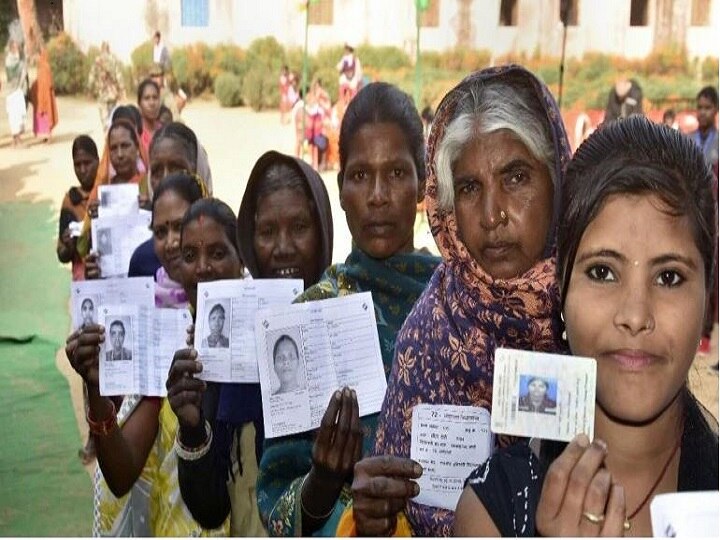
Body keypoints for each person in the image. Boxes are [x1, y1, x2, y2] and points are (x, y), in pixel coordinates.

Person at [455, 116, 719, 537]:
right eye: (602, 272)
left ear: (709, 302)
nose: (634, 315)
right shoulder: (493, 512)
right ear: (561, 291)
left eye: (668, 277)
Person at [345, 65, 571, 537]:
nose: (492, 215)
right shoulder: (430, 334)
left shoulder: (595, 315)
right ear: (447, 206)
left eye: (516, 177)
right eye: (469, 188)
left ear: (558, 179)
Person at [256, 82, 441, 537]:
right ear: (340, 189)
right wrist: (324, 480)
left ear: (422, 183)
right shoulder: (306, 318)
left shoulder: (459, 305)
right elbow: (275, 504)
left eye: (397, 173)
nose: (377, 195)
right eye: (360, 175)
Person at [169, 150, 333, 533]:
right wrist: (192, 427)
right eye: (267, 232)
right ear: (249, 240)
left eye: (299, 227)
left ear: (323, 229)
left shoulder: (350, 326)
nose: (282, 247)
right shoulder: (230, 347)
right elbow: (209, 509)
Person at [64, 174, 226, 536]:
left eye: (181, 230)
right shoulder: (162, 335)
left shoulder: (254, 321)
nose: (172, 245)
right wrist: (95, 386)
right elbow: (122, 474)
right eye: (161, 232)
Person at [166, 198, 267, 536]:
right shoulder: (191, 364)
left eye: (218, 253)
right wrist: (191, 427)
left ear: (242, 261)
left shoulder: (273, 338)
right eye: (190, 256)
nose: (202, 268)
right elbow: (210, 509)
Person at [128, 122, 213, 280]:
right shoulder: (142, 262)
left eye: (177, 168)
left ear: (199, 170)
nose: (167, 178)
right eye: (157, 171)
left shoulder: (230, 246)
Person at [77, 119, 150, 278]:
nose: (120, 154)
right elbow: (82, 247)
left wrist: (150, 212)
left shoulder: (150, 186)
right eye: (113, 148)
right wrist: (94, 220)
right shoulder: (101, 194)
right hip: (111, 281)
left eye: (125, 146)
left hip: (145, 278)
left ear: (137, 148)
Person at [57, 135, 100, 281]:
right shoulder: (70, 201)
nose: (82, 170)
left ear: (98, 161)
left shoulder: (107, 193)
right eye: (77, 164)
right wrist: (68, 246)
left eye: (87, 163)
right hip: (82, 280)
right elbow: (62, 255)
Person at [88, 41, 126, 130]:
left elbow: (92, 75)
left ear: (101, 49)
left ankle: (107, 134)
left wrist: (89, 89)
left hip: (102, 93)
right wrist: (122, 89)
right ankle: (111, 131)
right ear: (108, 49)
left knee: (104, 117)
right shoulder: (113, 60)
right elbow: (119, 75)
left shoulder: (97, 60)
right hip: (113, 93)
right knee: (112, 115)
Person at [29, 48, 58, 142]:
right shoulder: (41, 67)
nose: (37, 58)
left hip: (46, 97)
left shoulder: (45, 67)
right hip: (41, 96)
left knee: (47, 115)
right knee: (42, 116)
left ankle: (48, 136)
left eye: (38, 55)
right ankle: (44, 136)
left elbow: (48, 83)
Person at [4, 39, 28, 146]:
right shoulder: (10, 60)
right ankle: (17, 139)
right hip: (12, 91)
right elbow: (12, 73)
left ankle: (16, 139)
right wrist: (22, 66)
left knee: (19, 114)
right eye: (14, 47)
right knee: (15, 116)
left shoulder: (19, 60)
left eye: (17, 47)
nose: (16, 49)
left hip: (18, 90)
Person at [137, 79, 162, 155]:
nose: (152, 103)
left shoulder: (165, 131)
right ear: (139, 103)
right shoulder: (136, 134)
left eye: (155, 97)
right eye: (147, 98)